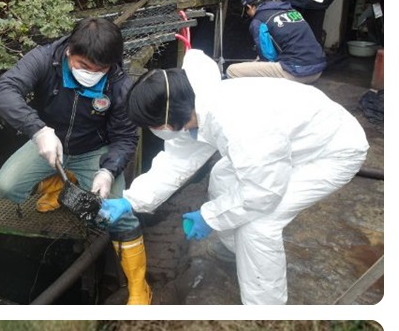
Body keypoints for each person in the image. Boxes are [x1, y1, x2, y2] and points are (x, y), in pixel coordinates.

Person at [99, 48, 367, 304]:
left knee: (260, 225)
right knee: (222, 176)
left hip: (330, 151)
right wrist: (131, 200)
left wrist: (210, 216)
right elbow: (176, 160)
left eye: (153, 125)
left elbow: (261, 193)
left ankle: (264, 310)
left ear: (169, 118)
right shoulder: (193, 105)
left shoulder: (237, 121)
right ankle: (234, 250)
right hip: (288, 143)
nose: (155, 130)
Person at [0, 18, 150, 304]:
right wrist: (38, 130)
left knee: (120, 216)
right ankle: (58, 183)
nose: (92, 73)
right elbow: (2, 92)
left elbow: (125, 138)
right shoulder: (43, 58)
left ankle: (139, 286)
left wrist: (108, 171)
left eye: (100, 68)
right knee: (6, 185)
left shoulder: (120, 85)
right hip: (49, 143)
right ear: (69, 53)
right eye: (84, 65)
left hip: (94, 151)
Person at [226, 0, 326, 83]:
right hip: (318, 69)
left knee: (232, 71)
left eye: (247, 11)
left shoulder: (258, 21)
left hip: (297, 72)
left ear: (249, 7)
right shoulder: (291, 10)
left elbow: (268, 57)